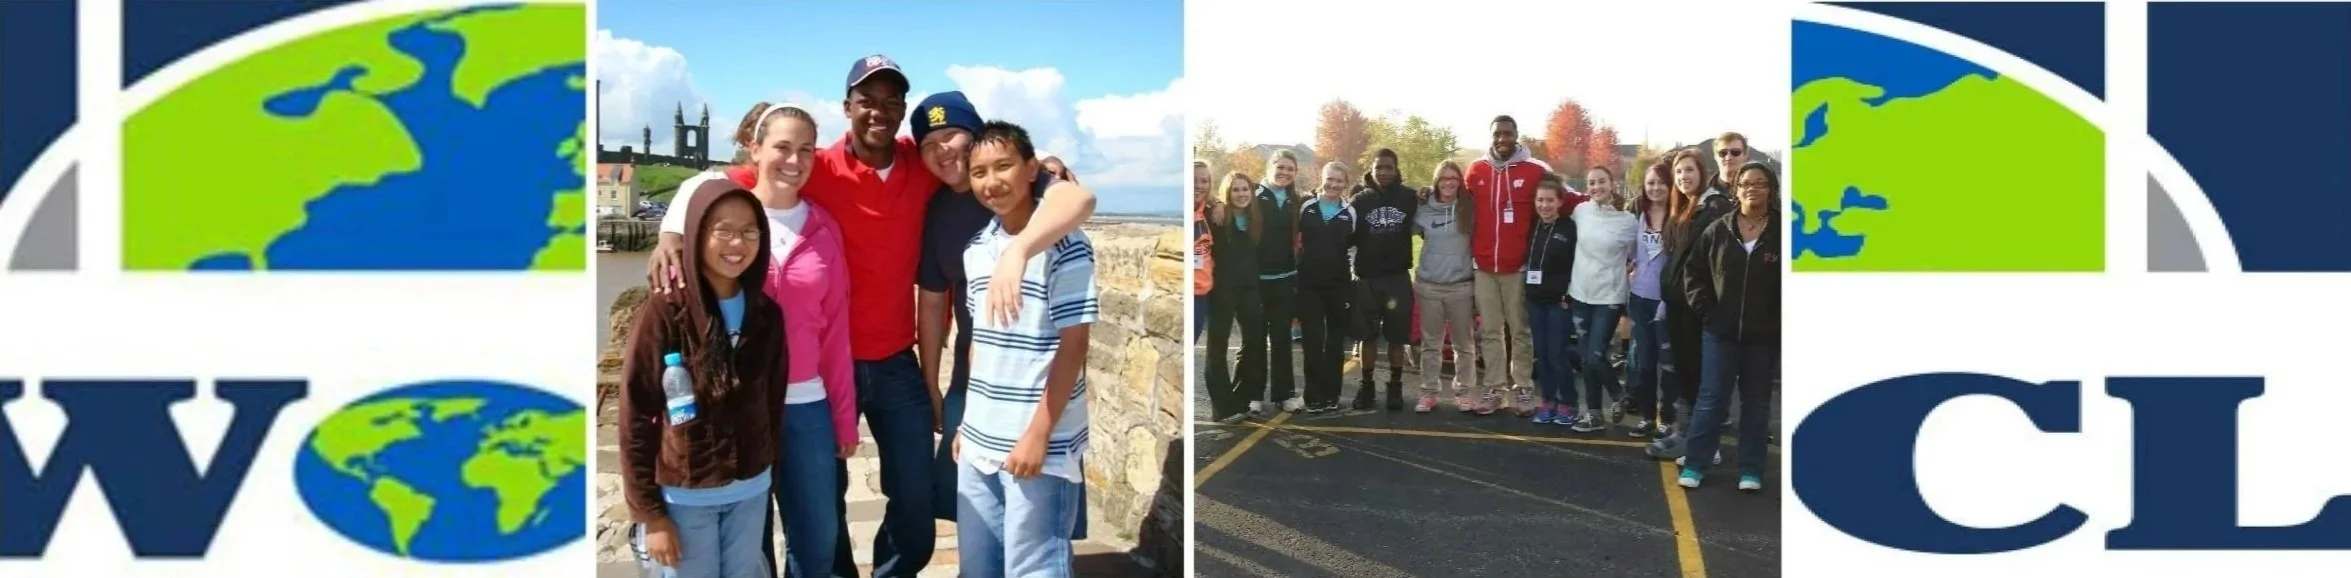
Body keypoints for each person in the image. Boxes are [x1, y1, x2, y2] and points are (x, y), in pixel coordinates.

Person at [647, 58, 1088, 577]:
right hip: (819, 372)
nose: (879, 112)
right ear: (848, 109)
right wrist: (672, 231)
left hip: (894, 362)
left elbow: (993, 170)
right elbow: (718, 181)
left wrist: (1049, 167)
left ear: (902, 112)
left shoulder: (920, 165)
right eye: (866, 101)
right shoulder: (817, 165)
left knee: (916, 500)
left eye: (891, 102)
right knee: (820, 504)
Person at [906, 91, 1096, 541]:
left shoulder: (1031, 187)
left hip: (1033, 376)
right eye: (929, 145)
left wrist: (1019, 251)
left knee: (1038, 521)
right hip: (977, 372)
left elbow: (1079, 200)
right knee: (972, 507)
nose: (942, 150)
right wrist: (931, 382)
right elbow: (932, 302)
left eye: (951, 135)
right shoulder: (938, 209)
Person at [691, 103, 860, 578]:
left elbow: (835, 331)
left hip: (808, 407)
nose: (794, 159)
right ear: (755, 149)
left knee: (817, 540)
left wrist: (844, 421)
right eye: (782, 146)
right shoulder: (725, 221)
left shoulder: (825, 229)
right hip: (737, 405)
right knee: (747, 547)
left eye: (806, 149)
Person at [952, 120, 1099, 578]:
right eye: (979, 172)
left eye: (1004, 167)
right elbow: (980, 341)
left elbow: (1073, 348)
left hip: (1039, 443)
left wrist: (1039, 433)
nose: (992, 182)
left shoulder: (1068, 247)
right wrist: (968, 423)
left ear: (1031, 168)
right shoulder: (977, 248)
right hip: (980, 439)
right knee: (979, 567)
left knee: (1035, 567)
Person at [618, 183, 785, 578]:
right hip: (684, 496)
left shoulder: (767, 315)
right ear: (696, 234)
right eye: (723, 230)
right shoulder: (665, 311)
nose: (736, 243)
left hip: (750, 490)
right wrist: (650, 515)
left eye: (749, 232)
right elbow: (635, 413)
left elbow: (772, 401)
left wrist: (767, 467)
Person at [1675, 161, 1782, 492]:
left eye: (1760, 183)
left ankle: (1750, 469)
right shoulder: (1719, 229)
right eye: (1746, 183)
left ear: (1772, 189)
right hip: (1720, 333)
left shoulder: (1787, 232)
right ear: (1736, 189)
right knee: (1712, 398)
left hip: (1763, 338)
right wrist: (1709, 314)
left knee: (1756, 402)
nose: (1753, 188)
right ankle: (1695, 463)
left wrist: (1778, 321)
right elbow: (1694, 275)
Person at [1466, 115, 1579, 416]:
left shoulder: (1535, 169)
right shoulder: (1476, 170)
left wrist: (1598, 198)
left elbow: (1565, 198)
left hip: (1518, 267)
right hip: (1484, 266)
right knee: (1490, 331)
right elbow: (1456, 199)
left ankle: (1524, 389)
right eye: (1497, 134)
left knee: (1520, 331)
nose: (1502, 139)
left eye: (1508, 133)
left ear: (1517, 135)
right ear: (1490, 136)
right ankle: (1493, 388)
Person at [1649, 148, 1734, 462]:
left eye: (1689, 170)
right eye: (1679, 172)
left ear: (1701, 171)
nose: (1684, 176)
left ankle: (1706, 447)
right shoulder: (1683, 208)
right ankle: (1686, 435)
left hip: (1698, 308)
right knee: (1685, 374)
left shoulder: (1714, 207)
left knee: (1701, 377)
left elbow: (1714, 263)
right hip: (1677, 307)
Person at [1567, 165, 1637, 433]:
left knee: (1596, 355)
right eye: (1592, 183)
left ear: (1612, 183)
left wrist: (1633, 268)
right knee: (1586, 360)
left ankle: (1619, 396)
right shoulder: (1581, 211)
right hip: (1580, 294)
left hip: (1609, 296)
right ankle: (1593, 414)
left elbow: (1639, 253)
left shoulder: (1627, 220)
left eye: (1601, 182)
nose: (1596, 187)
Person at [1349, 149, 1418, 411]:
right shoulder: (1359, 201)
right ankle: (1366, 385)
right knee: (1367, 337)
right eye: (1379, 168)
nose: (1384, 172)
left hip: (1397, 277)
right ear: (1372, 168)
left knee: (1396, 337)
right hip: (1368, 279)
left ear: (1396, 168)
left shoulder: (1409, 197)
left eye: (1389, 167)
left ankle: (1395, 385)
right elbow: (1346, 235)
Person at [1414, 160, 1481, 413]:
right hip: (1429, 285)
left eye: (1454, 178)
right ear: (1436, 181)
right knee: (1431, 343)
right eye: (1444, 178)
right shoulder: (1423, 208)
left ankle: (1464, 391)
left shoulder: (1469, 208)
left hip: (1460, 286)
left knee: (1464, 344)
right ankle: (1428, 392)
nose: (1449, 182)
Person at [1294, 162, 1359, 413]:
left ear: (1345, 184)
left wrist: (1352, 276)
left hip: (1338, 286)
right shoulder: (1306, 207)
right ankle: (1313, 396)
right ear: (1322, 179)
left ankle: (1331, 395)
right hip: (1309, 285)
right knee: (1312, 341)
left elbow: (1353, 247)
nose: (1333, 185)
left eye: (1339, 181)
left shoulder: (1349, 212)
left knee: (1334, 342)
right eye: (1329, 179)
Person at [1205, 171, 1267, 423]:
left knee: (1254, 342)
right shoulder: (1217, 216)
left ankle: (1240, 398)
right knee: (1217, 348)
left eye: (1245, 189)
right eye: (1235, 190)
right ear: (1227, 193)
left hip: (1249, 287)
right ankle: (1222, 406)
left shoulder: (1256, 218)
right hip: (1222, 288)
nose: (1241, 194)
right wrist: (1216, 203)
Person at [1624, 160, 1676, 437]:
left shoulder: (1679, 216)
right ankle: (1646, 417)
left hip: (1667, 302)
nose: (1656, 188)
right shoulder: (1638, 216)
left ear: (1670, 186)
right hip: (1640, 298)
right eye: (1651, 183)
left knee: (1668, 365)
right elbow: (1631, 253)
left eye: (1661, 182)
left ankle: (1667, 418)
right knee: (1644, 363)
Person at [1252, 150, 1307, 413]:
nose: (1284, 172)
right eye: (1280, 167)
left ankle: (1284, 394)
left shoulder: (1296, 201)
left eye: (1290, 169)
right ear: (1269, 167)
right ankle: (1253, 395)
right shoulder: (1252, 196)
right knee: (1255, 339)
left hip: (1285, 279)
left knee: (1282, 340)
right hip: (1256, 280)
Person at [1521, 175, 1579, 424]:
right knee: (1542, 355)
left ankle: (1568, 402)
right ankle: (1548, 401)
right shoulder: (1533, 226)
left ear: (1559, 202)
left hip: (1559, 302)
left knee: (1558, 354)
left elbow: (1578, 263)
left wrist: (1568, 294)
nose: (1544, 205)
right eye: (1540, 200)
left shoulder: (1569, 227)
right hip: (1535, 301)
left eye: (1549, 201)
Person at [1194, 161, 1215, 341]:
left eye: (1204, 181)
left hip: (1203, 295)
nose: (1199, 186)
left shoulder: (1207, 212)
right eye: (1193, 180)